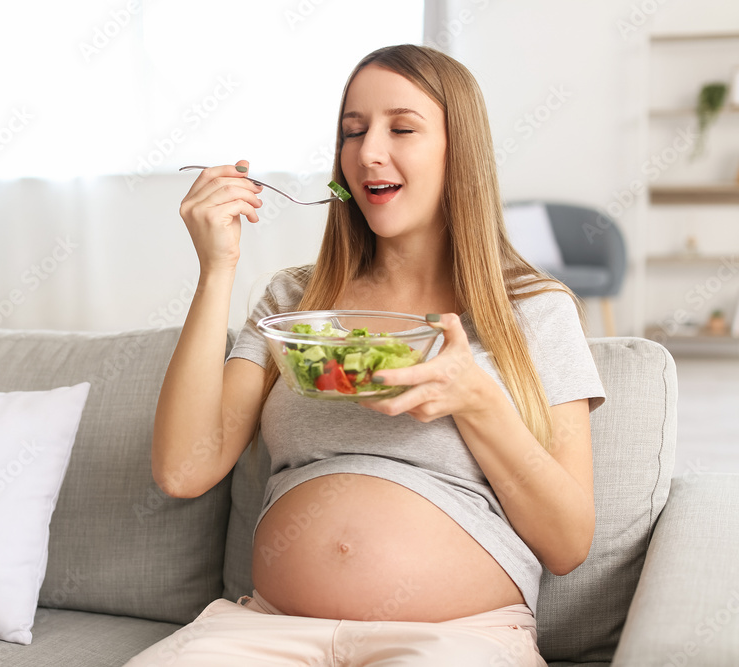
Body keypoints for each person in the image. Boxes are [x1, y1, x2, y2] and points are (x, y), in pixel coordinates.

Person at [126, 44, 605, 666]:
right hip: (268, 630)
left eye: (401, 128)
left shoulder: (534, 312)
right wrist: (217, 268)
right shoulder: (295, 301)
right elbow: (183, 470)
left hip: (457, 635)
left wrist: (477, 400)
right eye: (353, 131)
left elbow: (569, 543)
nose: (368, 151)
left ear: (459, 153)